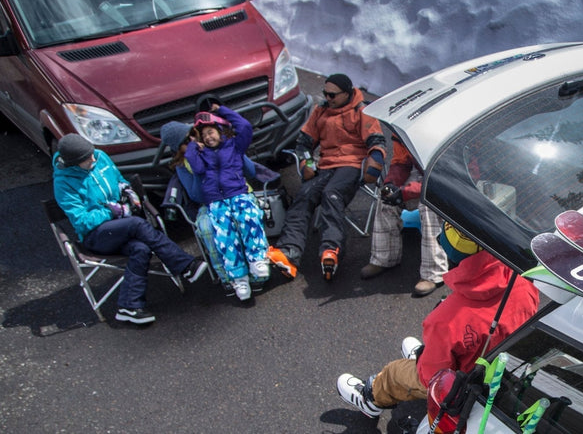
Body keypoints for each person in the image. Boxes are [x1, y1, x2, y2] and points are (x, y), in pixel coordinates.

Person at [336, 234, 539, 420]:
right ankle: (423, 356)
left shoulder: (446, 318)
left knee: (395, 372)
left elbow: (430, 377)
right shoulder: (523, 280)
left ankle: (371, 397)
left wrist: (427, 361)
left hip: (463, 385)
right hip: (507, 373)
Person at [52, 133, 208, 324]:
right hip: (97, 235)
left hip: (122, 226)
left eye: (92, 153)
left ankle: (129, 306)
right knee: (136, 224)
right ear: (74, 163)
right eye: (87, 159)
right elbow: (82, 221)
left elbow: (118, 179)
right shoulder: (63, 183)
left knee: (140, 248)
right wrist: (111, 211)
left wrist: (126, 190)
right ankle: (184, 265)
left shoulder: (100, 156)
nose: (93, 159)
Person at [267, 73, 386, 281]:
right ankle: (289, 252)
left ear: (347, 93)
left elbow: (376, 141)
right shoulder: (321, 111)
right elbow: (304, 143)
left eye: (332, 95)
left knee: (332, 194)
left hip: (352, 164)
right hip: (326, 164)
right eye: (325, 93)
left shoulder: (362, 110)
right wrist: (307, 163)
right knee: (304, 196)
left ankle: (331, 249)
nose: (328, 98)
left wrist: (374, 165)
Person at [160, 120, 268, 297]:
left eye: (193, 137)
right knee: (208, 227)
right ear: (178, 149)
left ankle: (257, 269)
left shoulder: (219, 147)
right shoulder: (183, 165)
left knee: (246, 216)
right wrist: (198, 169)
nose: (193, 143)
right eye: (186, 143)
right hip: (210, 201)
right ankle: (229, 277)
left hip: (238, 193)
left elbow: (249, 170)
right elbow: (197, 196)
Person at [359, 137, 450, 296]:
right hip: (423, 172)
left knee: (428, 205)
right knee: (385, 200)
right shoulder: (407, 128)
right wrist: (391, 184)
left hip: (452, 177)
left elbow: (443, 177)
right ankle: (384, 258)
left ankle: (434, 273)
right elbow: (401, 161)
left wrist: (406, 192)